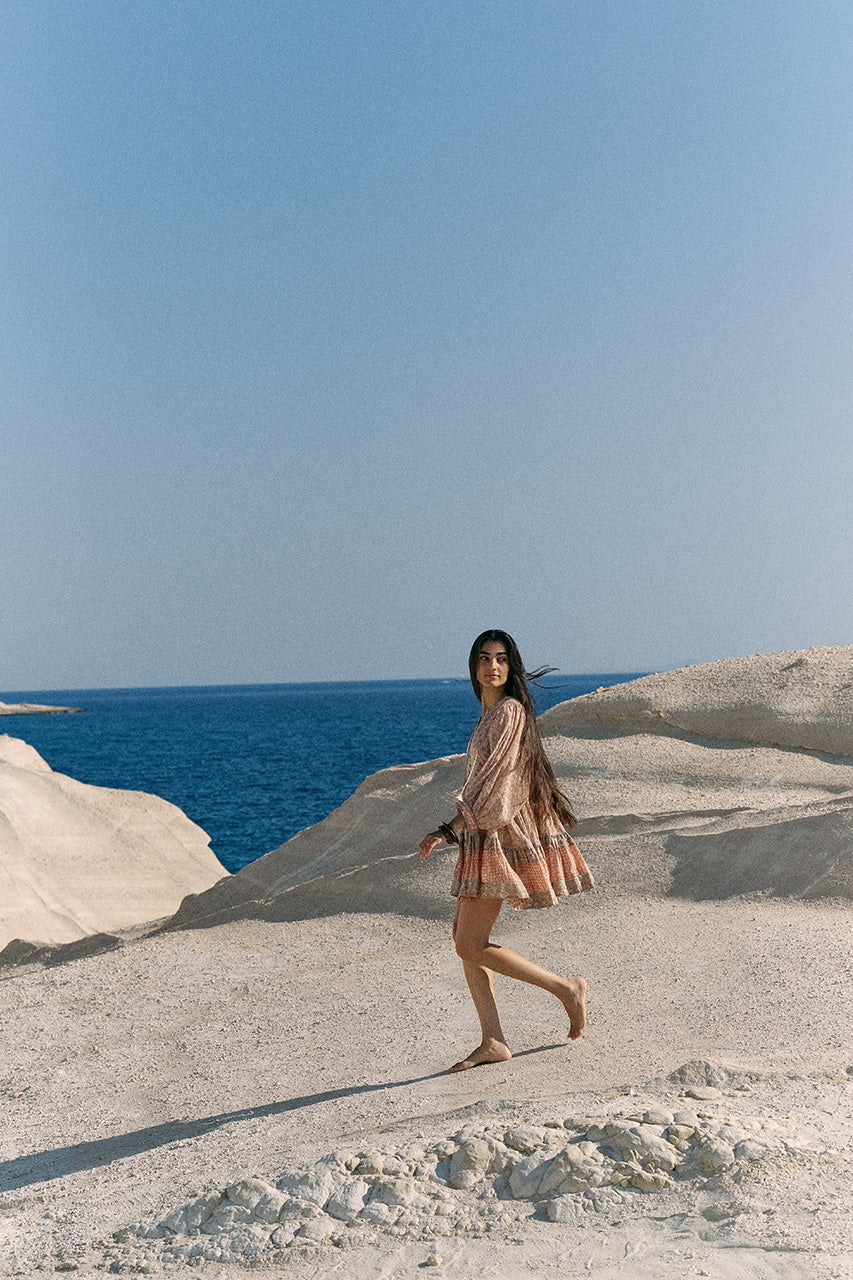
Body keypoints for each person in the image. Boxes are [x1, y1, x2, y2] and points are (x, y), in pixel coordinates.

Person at [420, 629, 593, 1073]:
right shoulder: (490, 714)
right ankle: (493, 1040)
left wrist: (449, 829)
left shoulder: (509, 712)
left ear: (511, 667)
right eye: (483, 658)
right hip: (484, 833)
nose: (491, 666)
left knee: (469, 943)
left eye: (500, 658)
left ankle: (564, 989)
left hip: (495, 834)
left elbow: (495, 783)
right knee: (465, 941)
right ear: (474, 667)